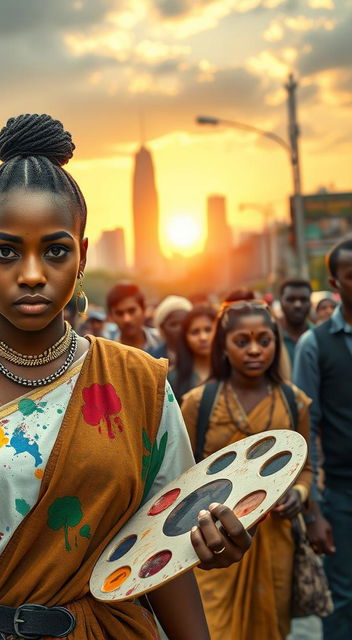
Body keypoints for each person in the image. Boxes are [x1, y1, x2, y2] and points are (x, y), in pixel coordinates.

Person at [0, 114, 252, 640]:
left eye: (55, 250)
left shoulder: (138, 384)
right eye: (5, 251)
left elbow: (163, 554)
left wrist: (207, 546)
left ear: (83, 256)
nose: (31, 274)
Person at [180, 300, 313, 640]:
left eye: (264, 340)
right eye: (242, 341)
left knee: (271, 627)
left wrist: (299, 494)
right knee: (215, 627)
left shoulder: (294, 401)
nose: (254, 350)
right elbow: (181, 473)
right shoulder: (199, 402)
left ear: (275, 342)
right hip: (215, 542)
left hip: (275, 539)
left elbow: (307, 467)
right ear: (223, 346)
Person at [294, 237, 352, 640]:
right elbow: (306, 428)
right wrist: (314, 510)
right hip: (342, 494)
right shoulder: (315, 344)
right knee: (344, 598)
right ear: (335, 282)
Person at [168, 305, 217, 402]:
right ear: (185, 338)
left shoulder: (232, 371)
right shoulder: (173, 377)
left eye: (208, 330)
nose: (203, 337)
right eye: (195, 332)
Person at [106, 281, 161, 352]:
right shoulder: (107, 352)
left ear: (143, 309)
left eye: (132, 311)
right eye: (119, 313)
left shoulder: (162, 341)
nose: (127, 319)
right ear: (111, 316)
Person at [149, 295, 193, 365]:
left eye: (184, 323)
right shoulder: (152, 358)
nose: (180, 329)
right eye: (174, 324)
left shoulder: (200, 355)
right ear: (162, 328)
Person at [278, 279, 312, 367]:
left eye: (303, 299)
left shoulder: (319, 338)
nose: (297, 305)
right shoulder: (271, 338)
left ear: (310, 303)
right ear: (281, 302)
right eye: (291, 299)